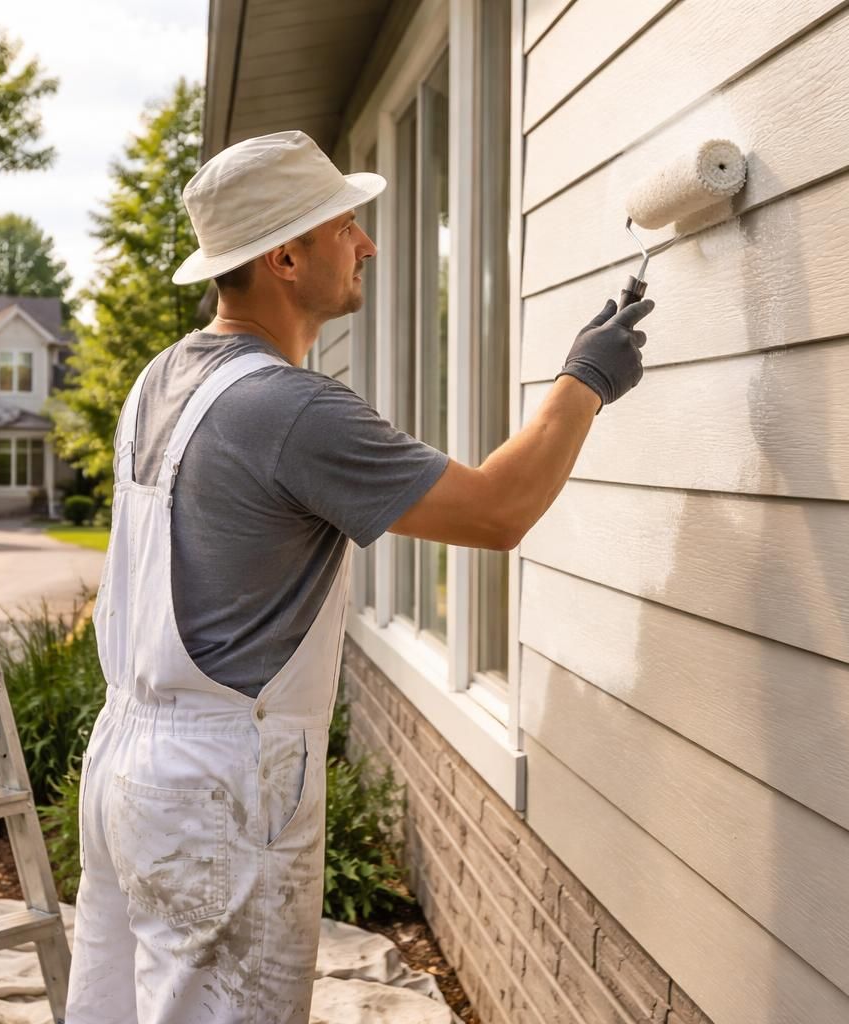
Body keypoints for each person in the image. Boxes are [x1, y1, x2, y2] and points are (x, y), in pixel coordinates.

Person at [65, 129, 653, 1024]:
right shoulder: (288, 408)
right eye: (348, 227)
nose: (368, 244)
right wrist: (585, 380)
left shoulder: (161, 379)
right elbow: (498, 511)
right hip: (219, 789)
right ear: (286, 255)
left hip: (128, 771)